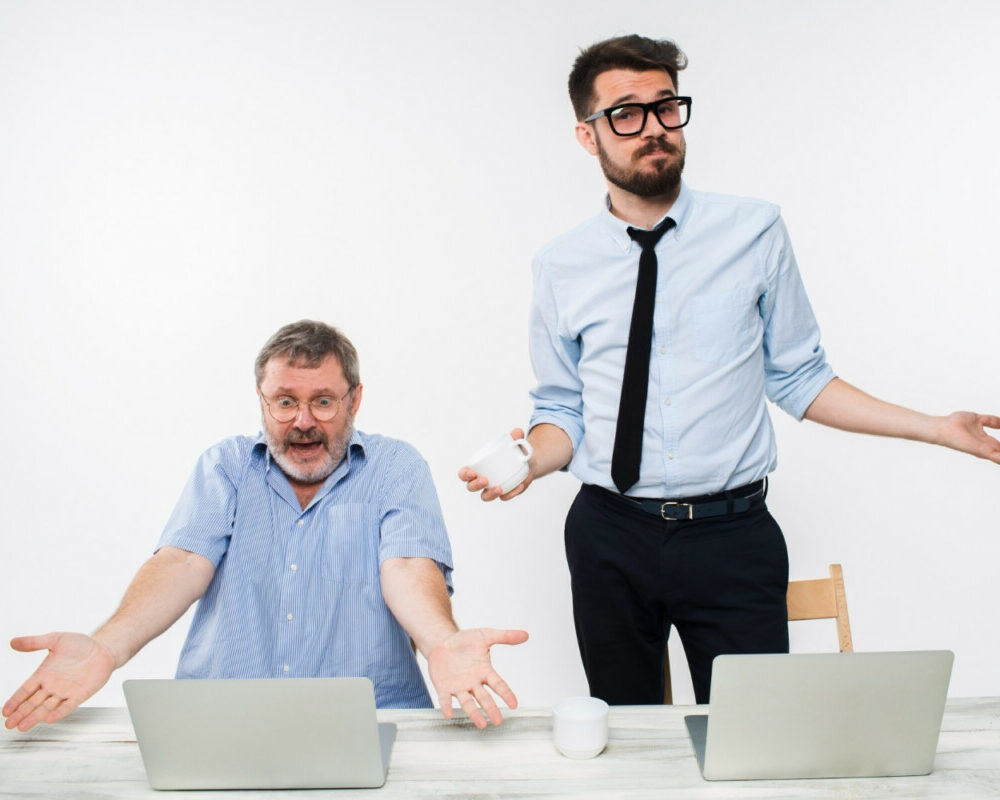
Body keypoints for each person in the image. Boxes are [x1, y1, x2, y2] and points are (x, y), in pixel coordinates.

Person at [459, 34, 999, 705]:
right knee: (626, 739)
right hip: (609, 535)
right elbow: (562, 409)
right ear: (587, 134)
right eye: (626, 114)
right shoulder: (559, 265)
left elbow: (800, 377)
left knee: (753, 738)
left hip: (732, 537)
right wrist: (528, 459)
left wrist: (937, 428)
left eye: (665, 107)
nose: (653, 128)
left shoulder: (756, 231)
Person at [5, 320, 527, 733]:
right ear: (262, 400)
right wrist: (106, 647)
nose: (303, 421)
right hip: (222, 725)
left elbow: (409, 565)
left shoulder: (395, 467)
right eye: (285, 402)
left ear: (355, 400)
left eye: (323, 401)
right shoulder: (225, 467)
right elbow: (182, 562)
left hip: (373, 722)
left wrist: (442, 643)